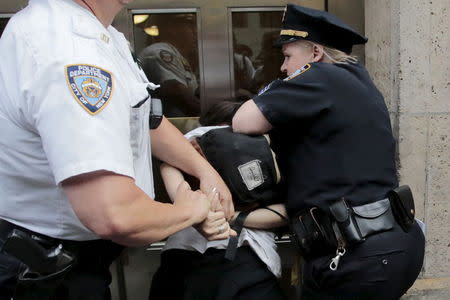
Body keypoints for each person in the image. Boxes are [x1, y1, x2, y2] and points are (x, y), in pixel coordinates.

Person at [0, 0, 234, 299]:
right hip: (46, 273)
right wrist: (192, 209)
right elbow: (115, 215)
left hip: (75, 263)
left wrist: (204, 171)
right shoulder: (68, 49)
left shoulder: (102, 36)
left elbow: (146, 119)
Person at [232, 4, 425, 300]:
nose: (283, 68)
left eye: (287, 56)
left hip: (358, 255)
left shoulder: (320, 77)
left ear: (315, 54)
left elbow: (243, 121)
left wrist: (276, 87)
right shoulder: (355, 80)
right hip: (378, 247)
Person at [149, 100, 288, 300]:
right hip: (249, 253)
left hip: (184, 253)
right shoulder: (270, 147)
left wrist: (196, 212)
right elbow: (287, 211)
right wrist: (233, 216)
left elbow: (168, 164)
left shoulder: (195, 139)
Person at [138, 14, 200, 117]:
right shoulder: (160, 51)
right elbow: (176, 91)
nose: (195, 32)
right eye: (190, 26)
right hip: (167, 122)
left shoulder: (178, 55)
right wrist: (205, 113)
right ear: (172, 28)